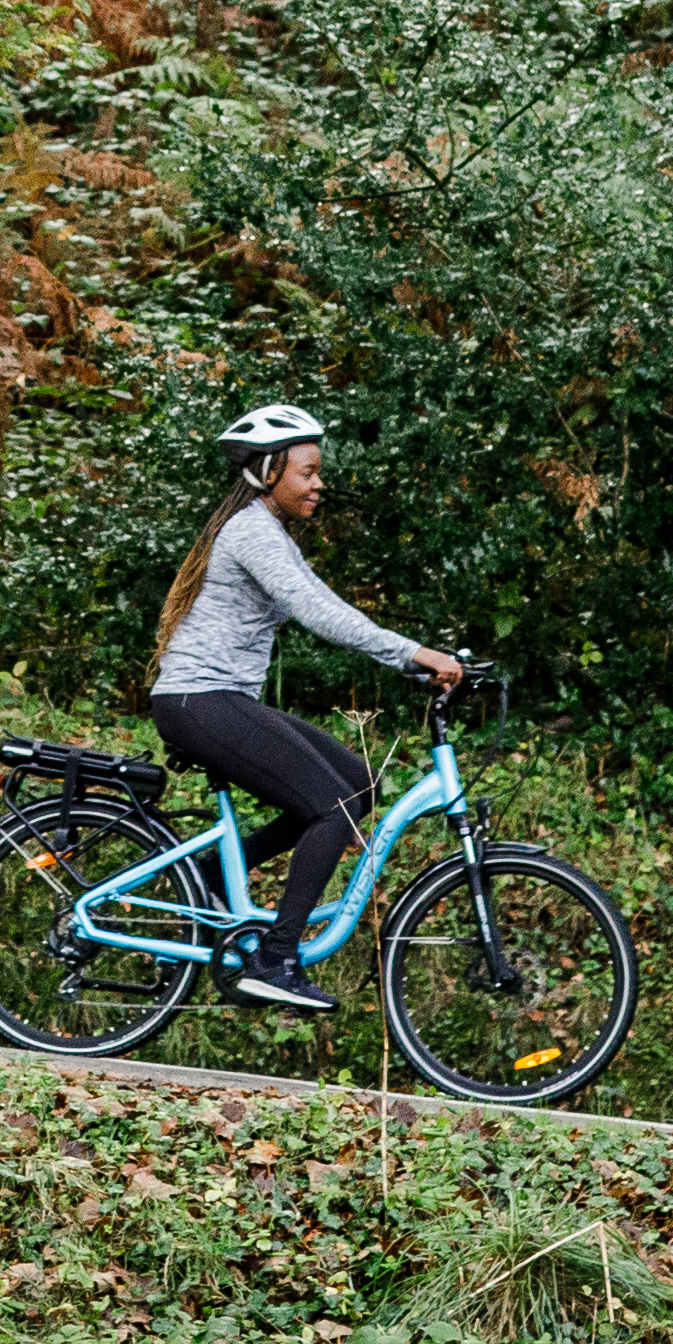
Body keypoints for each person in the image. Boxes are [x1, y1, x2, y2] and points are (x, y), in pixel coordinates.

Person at [144, 403, 461, 1016]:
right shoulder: (252, 531)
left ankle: (207, 875)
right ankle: (275, 958)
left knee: (356, 783)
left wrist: (410, 661)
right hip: (200, 700)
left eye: (319, 472)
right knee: (333, 805)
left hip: (214, 700)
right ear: (268, 473)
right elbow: (321, 613)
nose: (320, 484)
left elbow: (320, 601)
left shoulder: (267, 531)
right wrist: (416, 653)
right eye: (308, 472)